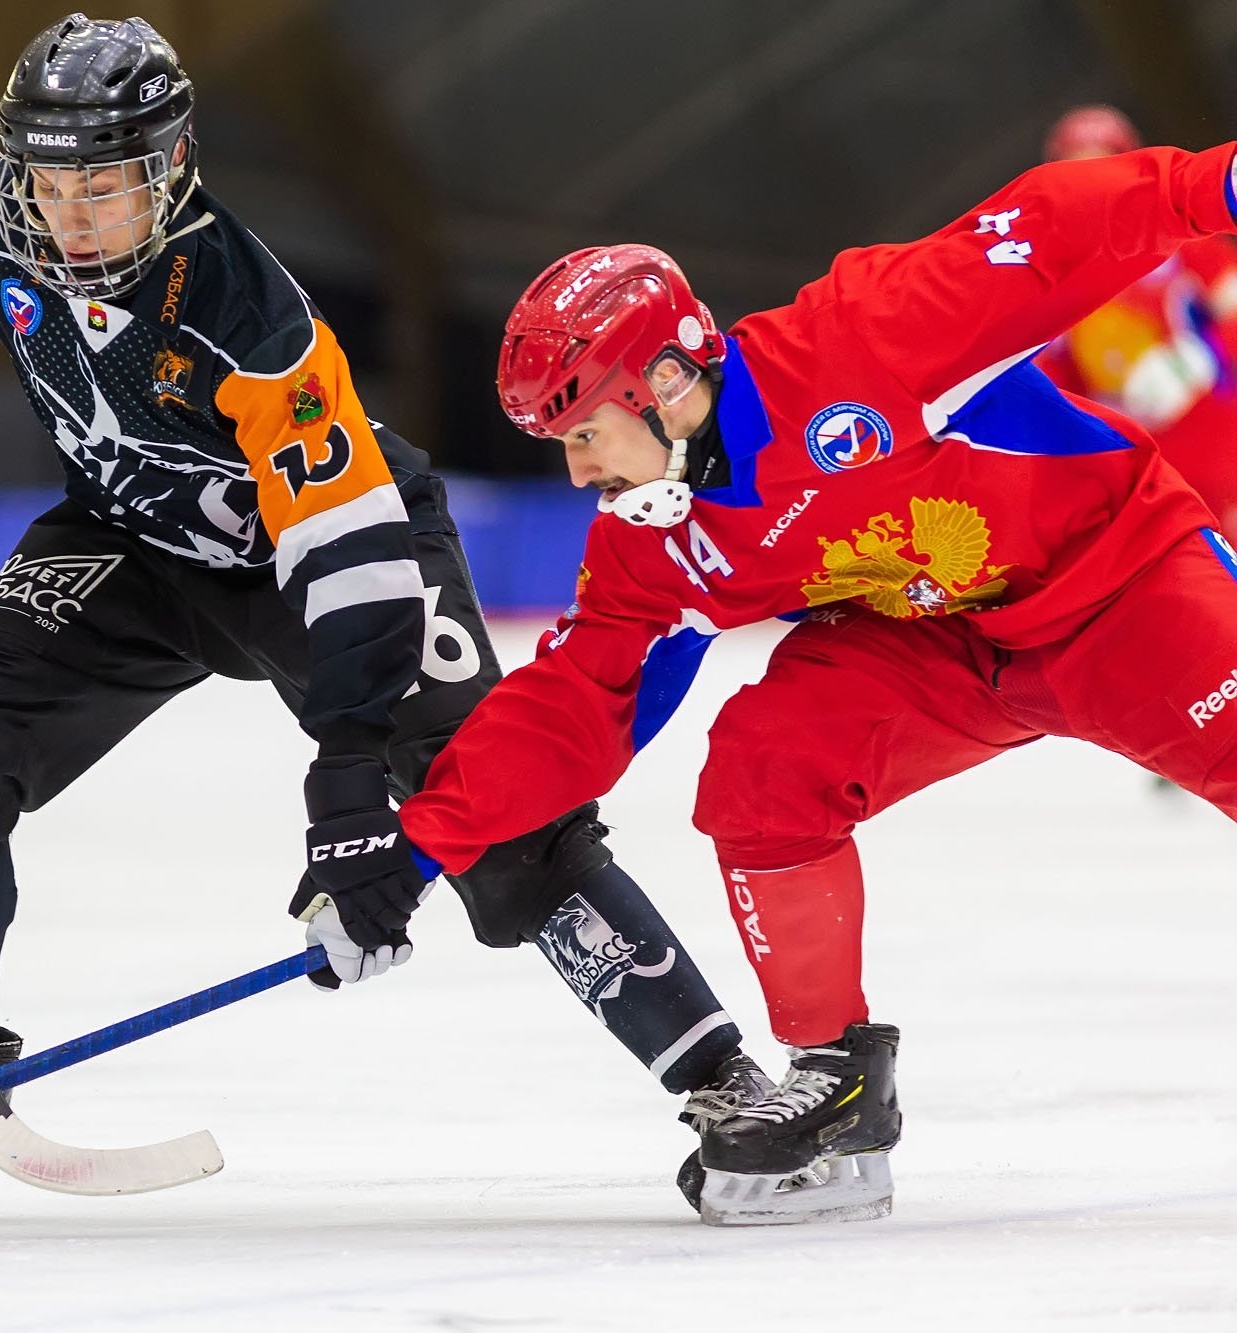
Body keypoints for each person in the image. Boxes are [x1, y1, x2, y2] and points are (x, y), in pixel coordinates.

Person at [0, 12, 768, 1226]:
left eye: (108, 187)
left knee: (499, 819)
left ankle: (726, 1086)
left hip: (319, 553)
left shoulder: (245, 311)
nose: (78, 217)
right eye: (54, 185)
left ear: (170, 169)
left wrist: (354, 789)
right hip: (127, 546)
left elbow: (346, 547)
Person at [364, 143, 1237, 1224]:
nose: (578, 471)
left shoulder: (858, 341)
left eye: (584, 433)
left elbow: (1048, 225)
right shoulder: (655, 542)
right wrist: (417, 850)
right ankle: (839, 1082)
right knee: (764, 769)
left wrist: (1214, 187)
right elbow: (578, 701)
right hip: (936, 645)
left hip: (1120, 585)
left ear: (666, 384)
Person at [1034, 106, 1237, 532]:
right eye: (1076, 169)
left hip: (1217, 424)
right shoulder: (1048, 272)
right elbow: (1048, 384)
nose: (1093, 182)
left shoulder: (1170, 231)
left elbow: (1230, 293)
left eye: (1104, 163)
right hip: (1151, 458)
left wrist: (1195, 351)